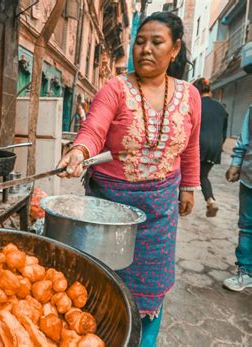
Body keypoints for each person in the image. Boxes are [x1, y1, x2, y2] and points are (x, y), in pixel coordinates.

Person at [57, 12, 201, 346]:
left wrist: (189, 186)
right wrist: (79, 152)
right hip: (108, 210)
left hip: (160, 212)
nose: (146, 49)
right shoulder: (116, 88)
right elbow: (93, 128)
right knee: (100, 282)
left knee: (150, 289)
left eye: (156, 42)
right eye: (140, 41)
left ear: (175, 49)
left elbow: (190, 147)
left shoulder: (190, 96)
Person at [224, 105, 252, 291]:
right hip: (250, 178)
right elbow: (244, 139)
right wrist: (235, 163)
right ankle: (246, 271)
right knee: (247, 226)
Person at [192, 77, 228, 217]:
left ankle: (179, 202)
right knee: (203, 176)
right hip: (215, 147)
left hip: (198, 144)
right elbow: (223, 133)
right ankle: (211, 201)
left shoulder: (196, 104)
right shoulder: (221, 108)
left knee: (185, 172)